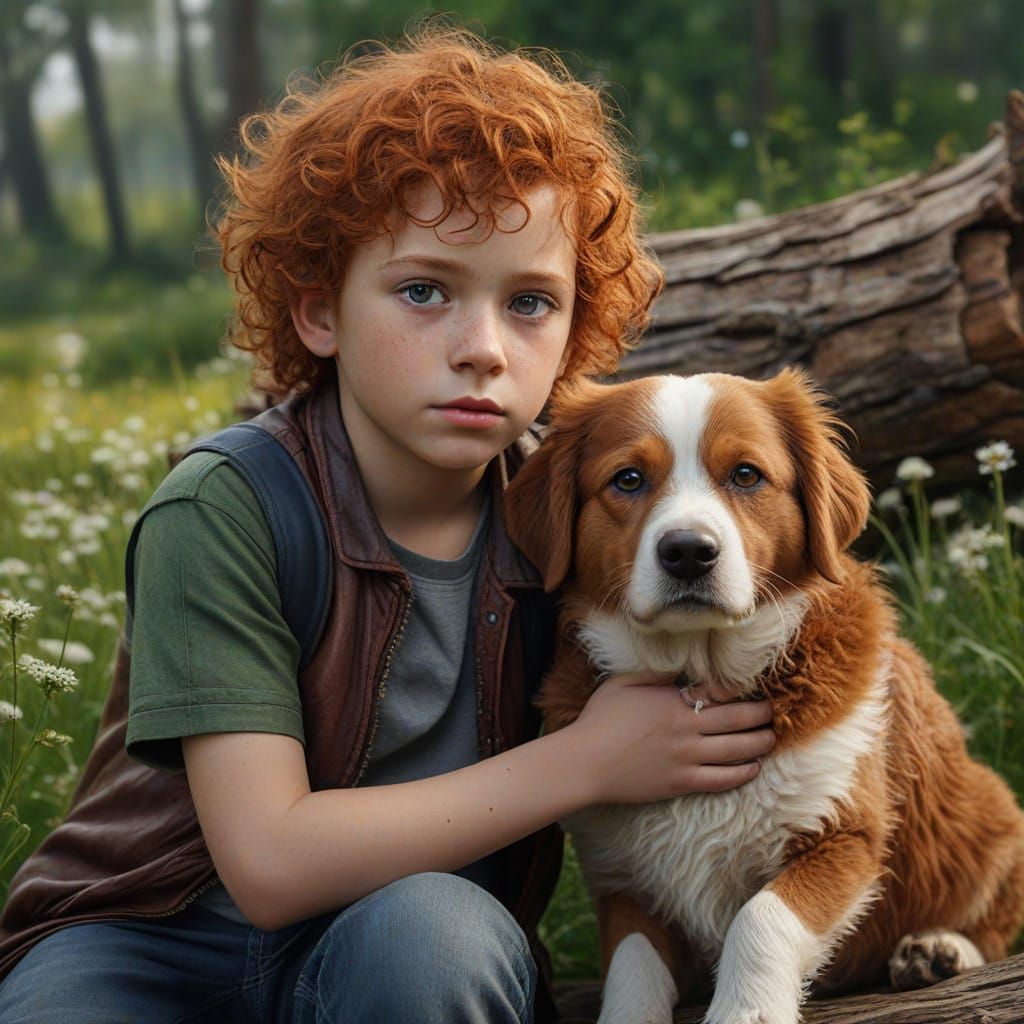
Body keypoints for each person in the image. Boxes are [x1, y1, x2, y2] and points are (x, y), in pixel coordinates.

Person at [0, 26, 774, 1024]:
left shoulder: (579, 511)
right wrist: (583, 762)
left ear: (576, 328)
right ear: (319, 310)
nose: (482, 348)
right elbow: (267, 862)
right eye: (423, 291)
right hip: (149, 939)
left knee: (436, 938)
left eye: (530, 302)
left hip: (395, 943)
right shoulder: (227, 506)